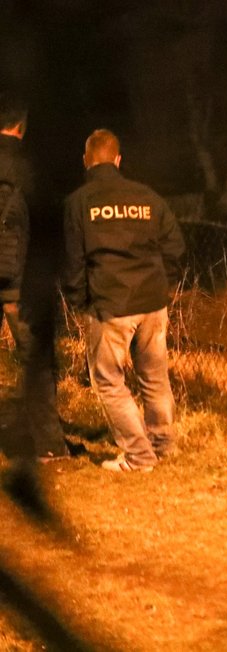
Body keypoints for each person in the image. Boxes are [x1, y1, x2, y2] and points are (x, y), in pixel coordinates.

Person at [63, 129, 185, 472]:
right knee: (155, 377)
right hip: (152, 301)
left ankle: (138, 456)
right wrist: (163, 285)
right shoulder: (148, 197)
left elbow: (74, 262)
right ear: (118, 160)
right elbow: (175, 247)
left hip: (111, 304)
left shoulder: (78, 203)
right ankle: (162, 445)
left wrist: (80, 300)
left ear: (86, 161)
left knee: (107, 380)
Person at [0, 93, 68, 464]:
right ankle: (49, 445)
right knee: (36, 362)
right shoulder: (30, 167)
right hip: (18, 281)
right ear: (21, 127)